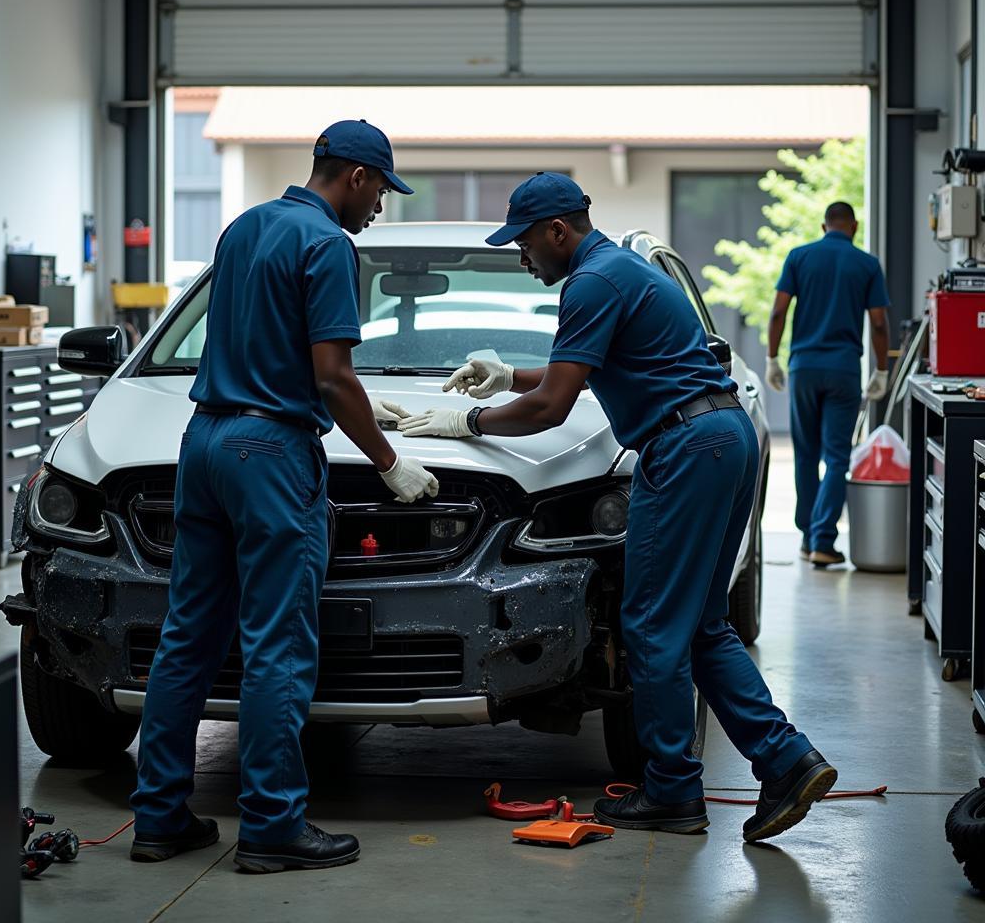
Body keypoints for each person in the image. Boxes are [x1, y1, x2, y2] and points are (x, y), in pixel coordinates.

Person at [398, 172, 835, 843]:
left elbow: (554, 407)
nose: (522, 257)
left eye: (524, 244)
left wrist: (470, 422)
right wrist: (506, 374)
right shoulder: (616, 270)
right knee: (700, 625)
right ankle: (785, 759)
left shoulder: (592, 282)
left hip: (684, 450)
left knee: (652, 627)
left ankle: (670, 793)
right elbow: (578, 370)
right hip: (720, 437)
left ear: (557, 232)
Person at [130, 119, 439, 873]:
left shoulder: (244, 227)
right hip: (270, 453)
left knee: (188, 637)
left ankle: (160, 819)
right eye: (380, 194)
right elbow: (332, 375)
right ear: (357, 177)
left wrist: (356, 401)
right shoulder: (329, 243)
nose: (377, 211)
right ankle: (271, 828)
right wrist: (389, 459)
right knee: (277, 645)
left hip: (202, 442)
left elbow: (261, 342)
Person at [765, 201, 890, 567]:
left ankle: (806, 536)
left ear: (824, 226)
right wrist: (882, 369)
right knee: (836, 457)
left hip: (804, 367)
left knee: (805, 454)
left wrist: (773, 357)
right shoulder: (867, 264)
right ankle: (823, 539)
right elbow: (880, 323)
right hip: (844, 370)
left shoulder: (799, 257)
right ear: (853, 226)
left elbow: (778, 311)